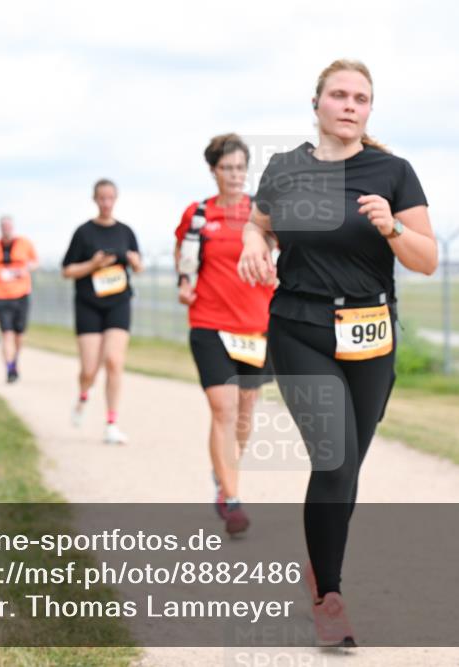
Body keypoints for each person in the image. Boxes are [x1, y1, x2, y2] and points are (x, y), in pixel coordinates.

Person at [238, 59, 437, 646]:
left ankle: (320, 564)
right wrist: (254, 244)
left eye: (362, 98)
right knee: (334, 457)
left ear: (369, 109)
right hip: (299, 326)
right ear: (318, 103)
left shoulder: (393, 171)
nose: (351, 105)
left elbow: (426, 260)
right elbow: (259, 224)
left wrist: (392, 228)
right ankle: (330, 597)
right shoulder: (286, 168)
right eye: (340, 95)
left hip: (371, 331)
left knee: (346, 467)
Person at [175, 134, 274, 536]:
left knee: (245, 413)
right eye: (226, 168)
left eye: (239, 167)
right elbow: (185, 258)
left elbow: (285, 251)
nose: (234, 175)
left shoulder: (262, 212)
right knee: (223, 409)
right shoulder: (198, 214)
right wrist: (184, 283)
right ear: (213, 170)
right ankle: (232, 500)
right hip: (210, 323)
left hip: (256, 325)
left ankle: (223, 473)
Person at [61, 179, 142, 444]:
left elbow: (138, 266)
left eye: (110, 198)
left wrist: (134, 262)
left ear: (116, 199)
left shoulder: (125, 231)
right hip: (88, 304)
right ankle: (83, 396)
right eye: (102, 198)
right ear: (95, 200)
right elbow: (67, 271)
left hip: (118, 301)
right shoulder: (83, 232)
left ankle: (111, 423)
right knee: (89, 368)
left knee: (114, 361)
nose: (106, 203)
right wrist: (93, 265)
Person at [0, 215, 38, 383]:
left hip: (21, 294)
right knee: (7, 333)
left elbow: (35, 261)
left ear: (12, 227)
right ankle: (9, 369)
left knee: (19, 336)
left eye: (9, 226)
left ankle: (15, 361)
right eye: (3, 226)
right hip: (0, 295)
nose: (6, 229)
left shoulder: (24, 243)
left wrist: (25, 269)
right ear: (0, 228)